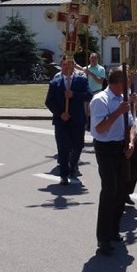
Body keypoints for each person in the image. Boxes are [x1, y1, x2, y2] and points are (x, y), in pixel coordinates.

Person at [90, 68, 136, 254]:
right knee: (109, 191)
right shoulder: (100, 100)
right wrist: (117, 112)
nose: (128, 86)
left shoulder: (122, 99)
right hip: (105, 149)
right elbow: (100, 128)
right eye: (126, 83)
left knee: (121, 191)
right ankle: (103, 238)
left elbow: (132, 124)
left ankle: (114, 230)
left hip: (121, 147)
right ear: (118, 83)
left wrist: (132, 142)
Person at [45, 55, 93, 185]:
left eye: (69, 64)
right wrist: (60, 113)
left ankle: (73, 165)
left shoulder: (81, 80)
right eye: (64, 64)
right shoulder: (55, 82)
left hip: (77, 119)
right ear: (62, 66)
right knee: (63, 147)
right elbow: (49, 101)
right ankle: (64, 174)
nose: (67, 67)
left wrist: (74, 95)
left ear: (73, 66)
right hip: (62, 121)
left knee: (78, 145)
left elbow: (89, 95)